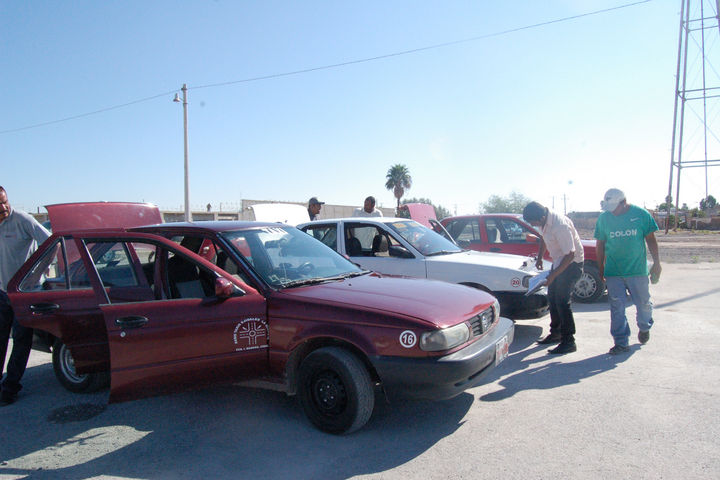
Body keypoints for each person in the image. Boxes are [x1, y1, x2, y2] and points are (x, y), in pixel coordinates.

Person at [0, 186, 51, 405]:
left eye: (5, 201)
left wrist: (36, 274)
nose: (4, 207)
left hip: (24, 294)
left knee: (21, 341)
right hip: (2, 292)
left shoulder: (22, 220)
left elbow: (49, 243)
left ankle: (10, 387)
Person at [594, 188, 661, 355]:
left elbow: (651, 240)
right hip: (614, 271)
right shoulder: (604, 218)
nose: (612, 212)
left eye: (615, 208)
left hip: (637, 270)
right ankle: (621, 342)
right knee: (617, 307)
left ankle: (644, 327)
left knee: (643, 304)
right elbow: (600, 244)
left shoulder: (641, 214)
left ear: (624, 203)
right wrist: (600, 268)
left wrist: (657, 263)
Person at [523, 201, 584, 355]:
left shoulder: (559, 225)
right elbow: (543, 238)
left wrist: (553, 276)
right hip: (559, 262)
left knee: (562, 302)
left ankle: (569, 341)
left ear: (542, 216)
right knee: (552, 298)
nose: (533, 225)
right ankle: (556, 333)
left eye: (534, 222)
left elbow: (570, 254)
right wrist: (539, 257)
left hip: (571, 264)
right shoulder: (544, 222)